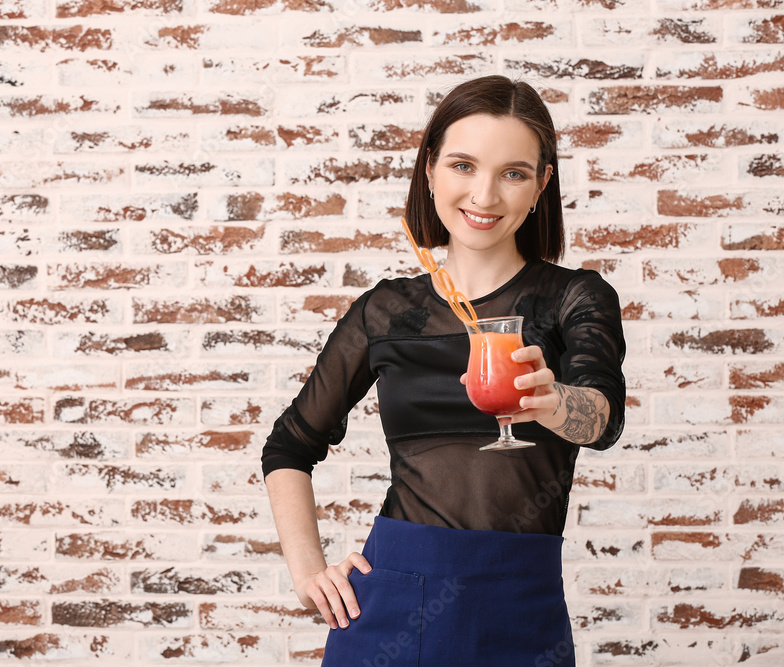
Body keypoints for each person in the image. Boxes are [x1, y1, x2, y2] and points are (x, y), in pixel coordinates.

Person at [262, 75, 626, 666]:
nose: (484, 195)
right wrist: (309, 572)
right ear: (429, 169)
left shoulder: (573, 298)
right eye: (463, 165)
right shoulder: (387, 311)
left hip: (521, 600)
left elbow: (602, 419)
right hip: (394, 595)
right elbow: (288, 446)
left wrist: (551, 400)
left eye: (513, 172)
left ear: (541, 185)